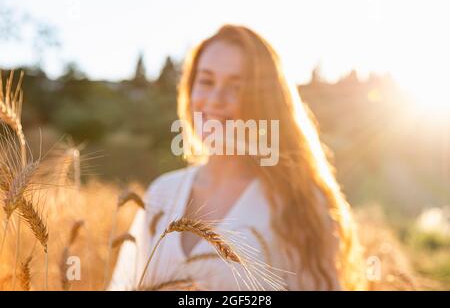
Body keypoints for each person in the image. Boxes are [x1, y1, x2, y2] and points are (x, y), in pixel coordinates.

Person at [109, 24, 366, 291]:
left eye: (236, 87)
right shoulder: (162, 192)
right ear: (189, 90)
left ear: (266, 102)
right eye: (207, 81)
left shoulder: (301, 203)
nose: (216, 99)